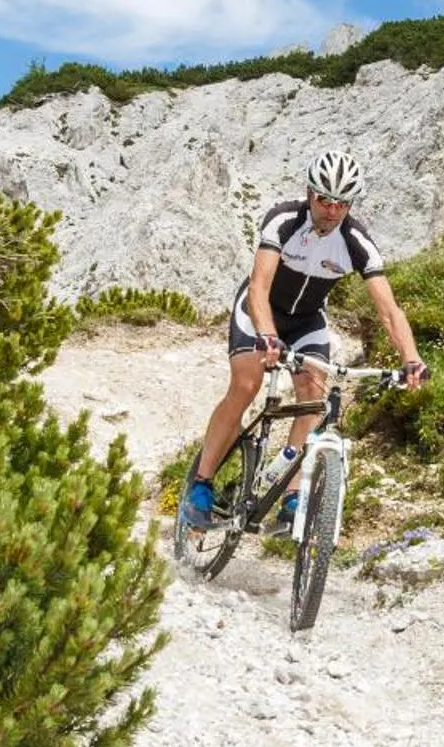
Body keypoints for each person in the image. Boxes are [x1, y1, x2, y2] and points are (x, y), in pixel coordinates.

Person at [181, 150, 427, 531]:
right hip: (259, 311)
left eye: (341, 203)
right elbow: (259, 286)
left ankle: (293, 494)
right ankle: (201, 483)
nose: (331, 210)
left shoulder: (356, 241)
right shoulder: (283, 219)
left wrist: (412, 359)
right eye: (324, 199)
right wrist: (267, 336)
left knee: (314, 396)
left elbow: (389, 311)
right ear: (309, 193)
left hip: (307, 321)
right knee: (247, 384)